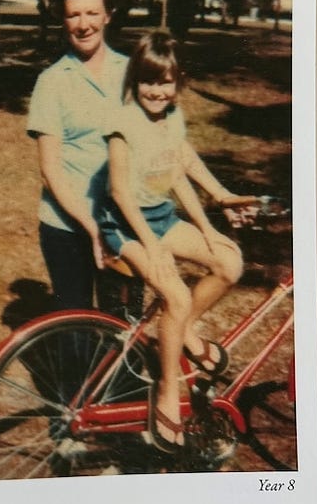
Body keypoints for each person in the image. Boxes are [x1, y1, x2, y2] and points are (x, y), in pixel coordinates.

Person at [98, 32, 246, 451]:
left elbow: (178, 171)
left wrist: (207, 226)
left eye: (165, 82)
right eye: (147, 81)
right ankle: (167, 391)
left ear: (177, 83)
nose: (156, 91)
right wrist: (155, 249)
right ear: (134, 81)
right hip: (125, 227)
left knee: (229, 262)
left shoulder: (172, 117)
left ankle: (179, 332)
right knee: (176, 296)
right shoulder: (122, 126)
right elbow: (120, 193)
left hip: (159, 219)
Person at [26, 0, 130, 311]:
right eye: (73, 15)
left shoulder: (133, 73)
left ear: (108, 16)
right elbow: (50, 171)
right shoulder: (52, 82)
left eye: (91, 13)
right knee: (76, 330)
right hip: (67, 227)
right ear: (63, 20)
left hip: (124, 222)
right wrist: (90, 226)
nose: (83, 24)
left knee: (126, 324)